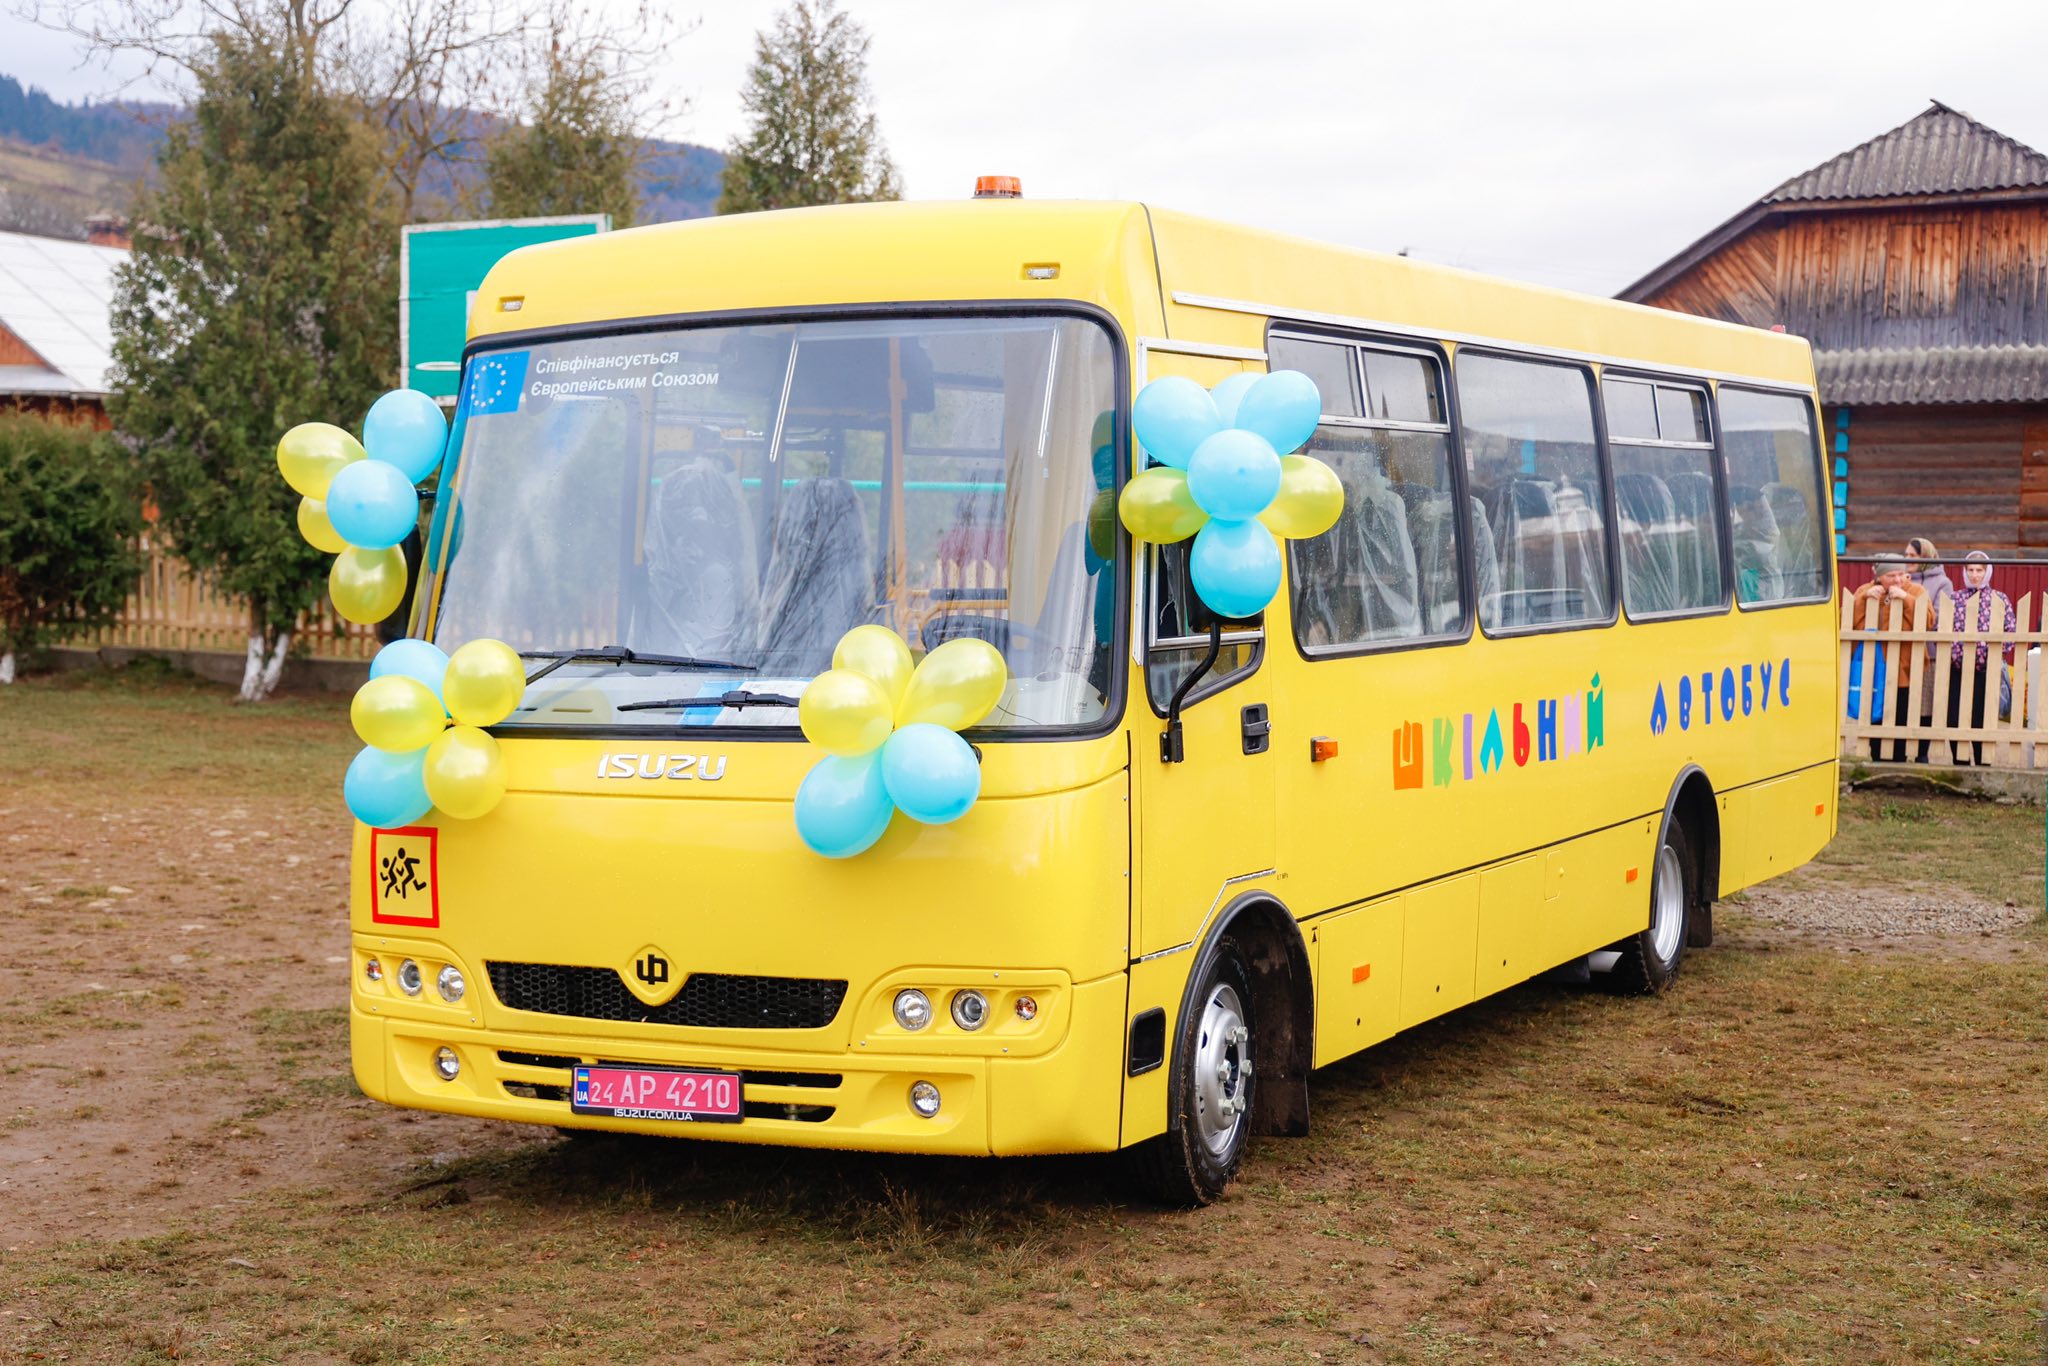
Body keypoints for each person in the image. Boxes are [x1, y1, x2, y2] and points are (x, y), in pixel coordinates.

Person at [1941, 550, 2017, 765]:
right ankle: (1960, 763)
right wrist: (1956, 652)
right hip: (1958, 669)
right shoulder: (1955, 598)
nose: (1975, 575)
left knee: (1981, 718)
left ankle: (1983, 763)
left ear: (1987, 572)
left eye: (1979, 570)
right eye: (1971, 570)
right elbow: (1943, 629)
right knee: (1955, 717)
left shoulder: (1999, 599)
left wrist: (1988, 650)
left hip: (1986, 671)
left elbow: (2010, 632)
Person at [1851, 555, 1930, 761]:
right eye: (1890, 575)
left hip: (1904, 668)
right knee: (1874, 714)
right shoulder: (1865, 590)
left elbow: (1928, 621)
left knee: (1901, 714)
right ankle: (1877, 756)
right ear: (1879, 577)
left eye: (1900, 574)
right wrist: (1863, 599)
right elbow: (1847, 620)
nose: (1897, 580)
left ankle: (1899, 759)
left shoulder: (1916, 591)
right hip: (1874, 668)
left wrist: (1906, 599)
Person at [1903, 538, 1955, 753]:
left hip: (1929, 654)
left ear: (1925, 557)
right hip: (1902, 653)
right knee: (1902, 702)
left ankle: (1921, 753)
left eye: (1912, 556)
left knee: (1925, 705)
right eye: (1906, 555)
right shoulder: (1901, 580)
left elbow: (1938, 618)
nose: (1907, 560)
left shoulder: (1942, 583)